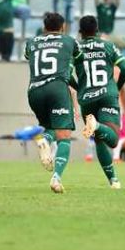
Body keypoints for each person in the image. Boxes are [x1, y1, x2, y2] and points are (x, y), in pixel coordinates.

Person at [24, 13, 82, 193]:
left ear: (44, 27)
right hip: (57, 88)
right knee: (64, 136)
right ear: (63, 27)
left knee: (49, 128)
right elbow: (76, 62)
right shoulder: (69, 41)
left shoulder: (31, 42)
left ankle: (44, 140)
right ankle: (56, 179)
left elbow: (29, 56)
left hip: (34, 91)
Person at [76, 15, 125, 186]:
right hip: (107, 94)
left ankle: (113, 180)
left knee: (99, 139)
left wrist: (78, 87)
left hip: (86, 98)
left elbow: (66, 73)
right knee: (113, 140)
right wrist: (116, 87)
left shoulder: (75, 48)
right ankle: (97, 125)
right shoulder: (108, 45)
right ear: (97, 30)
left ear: (80, 32)